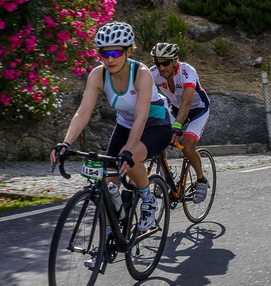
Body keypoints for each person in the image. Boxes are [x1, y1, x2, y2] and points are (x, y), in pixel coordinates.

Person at [50, 21, 174, 233]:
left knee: (131, 157)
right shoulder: (98, 74)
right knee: (108, 183)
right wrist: (66, 142)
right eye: (104, 54)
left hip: (156, 124)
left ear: (128, 51)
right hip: (125, 124)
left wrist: (127, 150)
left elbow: (141, 118)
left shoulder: (141, 74)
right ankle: (107, 238)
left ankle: (148, 199)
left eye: (115, 53)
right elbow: (83, 112)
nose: (109, 59)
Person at [149, 42, 211, 203]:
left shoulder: (187, 71)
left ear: (175, 61)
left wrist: (177, 127)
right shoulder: (153, 73)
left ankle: (201, 179)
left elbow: (187, 102)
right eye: (157, 63)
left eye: (165, 63)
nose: (161, 68)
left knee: (187, 146)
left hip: (198, 109)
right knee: (158, 141)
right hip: (175, 108)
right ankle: (164, 179)